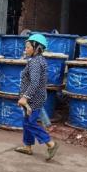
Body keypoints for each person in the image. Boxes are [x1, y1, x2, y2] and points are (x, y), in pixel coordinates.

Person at [15, 33, 60, 161]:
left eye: (28, 47)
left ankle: (50, 143)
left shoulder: (35, 62)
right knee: (26, 122)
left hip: (33, 99)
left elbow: (34, 83)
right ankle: (27, 146)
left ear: (37, 48)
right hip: (34, 97)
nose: (25, 49)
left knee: (30, 123)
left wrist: (25, 97)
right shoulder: (38, 60)